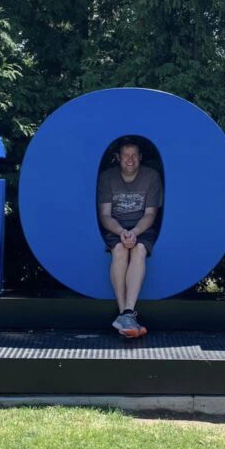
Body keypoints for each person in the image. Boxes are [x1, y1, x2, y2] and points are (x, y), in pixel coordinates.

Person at [97, 138, 162, 338]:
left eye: (134, 155)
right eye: (126, 156)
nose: (130, 160)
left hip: (142, 227)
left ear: (140, 157)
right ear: (118, 158)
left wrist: (134, 232)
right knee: (119, 250)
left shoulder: (152, 177)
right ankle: (125, 315)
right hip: (115, 228)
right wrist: (121, 232)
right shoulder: (107, 178)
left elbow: (150, 214)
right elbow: (105, 215)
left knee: (139, 250)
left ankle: (126, 313)